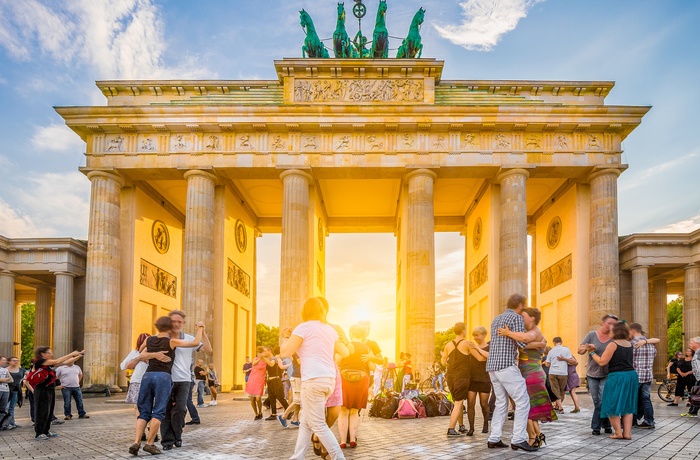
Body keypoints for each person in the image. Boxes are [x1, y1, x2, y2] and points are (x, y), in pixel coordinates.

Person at [280, 296, 350, 460]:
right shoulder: (330, 329)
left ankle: (339, 458)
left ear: (305, 311)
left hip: (312, 380)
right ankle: (298, 456)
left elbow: (285, 353)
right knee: (305, 420)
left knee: (318, 424)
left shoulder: (303, 328)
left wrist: (286, 337)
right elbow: (345, 352)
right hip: (329, 379)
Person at [129, 316, 204, 456]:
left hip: (147, 376)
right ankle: (150, 444)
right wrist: (200, 328)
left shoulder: (148, 339)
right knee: (159, 411)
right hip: (163, 377)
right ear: (169, 328)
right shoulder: (172, 342)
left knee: (143, 411)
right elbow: (196, 342)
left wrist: (154, 354)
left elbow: (140, 353)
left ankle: (136, 442)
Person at [485, 293, 537, 452]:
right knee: (522, 401)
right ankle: (518, 439)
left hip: (492, 366)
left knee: (501, 403)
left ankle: (494, 438)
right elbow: (522, 342)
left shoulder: (496, 319)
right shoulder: (516, 318)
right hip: (506, 365)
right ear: (520, 305)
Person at [499, 307, 557, 448]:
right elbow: (525, 342)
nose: (520, 318)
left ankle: (532, 438)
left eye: (523, 316)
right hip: (530, 373)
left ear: (532, 318)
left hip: (531, 374)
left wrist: (508, 333)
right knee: (529, 407)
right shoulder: (532, 334)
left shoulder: (534, 332)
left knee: (523, 406)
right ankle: (537, 435)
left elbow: (524, 340)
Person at [160, 310, 212, 450]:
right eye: (173, 321)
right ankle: (167, 441)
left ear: (183, 323)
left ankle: (177, 435)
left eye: (179, 321)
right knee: (165, 410)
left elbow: (208, 349)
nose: (176, 324)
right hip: (165, 379)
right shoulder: (161, 338)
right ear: (168, 322)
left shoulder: (189, 338)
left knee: (180, 409)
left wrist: (203, 331)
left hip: (184, 380)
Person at [590, 321, 639, 440]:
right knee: (628, 405)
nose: (609, 332)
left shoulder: (613, 344)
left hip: (617, 376)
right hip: (631, 375)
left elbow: (602, 361)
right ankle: (627, 433)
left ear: (616, 332)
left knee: (610, 404)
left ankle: (618, 432)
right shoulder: (629, 344)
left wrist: (591, 353)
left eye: (611, 330)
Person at [578, 313, 618, 435]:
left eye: (614, 325)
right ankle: (606, 424)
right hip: (592, 374)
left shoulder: (613, 338)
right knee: (597, 401)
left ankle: (595, 427)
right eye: (609, 323)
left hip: (607, 373)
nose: (611, 326)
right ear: (602, 323)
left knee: (602, 400)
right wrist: (587, 348)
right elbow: (579, 350)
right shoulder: (591, 335)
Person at [31, 347, 84, 440]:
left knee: (49, 411)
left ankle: (46, 431)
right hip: (42, 390)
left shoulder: (49, 364)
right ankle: (39, 433)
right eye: (49, 353)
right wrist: (71, 354)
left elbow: (65, 362)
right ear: (42, 354)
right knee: (42, 411)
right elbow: (57, 361)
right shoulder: (39, 362)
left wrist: (80, 355)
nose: (51, 354)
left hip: (50, 389)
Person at [338, 324, 374, 448]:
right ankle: (353, 439)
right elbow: (372, 367)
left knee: (343, 411)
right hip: (361, 380)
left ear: (351, 334)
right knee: (354, 411)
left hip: (345, 379)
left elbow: (337, 359)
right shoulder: (366, 348)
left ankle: (343, 441)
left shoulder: (347, 346)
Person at [442, 322, 471, 437]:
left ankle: (461, 425)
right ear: (463, 331)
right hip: (462, 376)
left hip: (450, 376)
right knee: (459, 403)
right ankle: (451, 429)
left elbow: (443, 362)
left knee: (458, 401)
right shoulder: (467, 343)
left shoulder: (448, 345)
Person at [628, 323, 657, 428]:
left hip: (635, 375)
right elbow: (654, 356)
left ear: (632, 331)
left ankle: (632, 421)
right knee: (646, 399)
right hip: (648, 375)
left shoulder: (631, 344)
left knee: (632, 399)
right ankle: (649, 421)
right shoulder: (650, 344)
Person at [466, 326, 490, 435]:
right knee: (470, 403)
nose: (475, 337)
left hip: (485, 378)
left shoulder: (489, 347)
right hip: (472, 379)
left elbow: (491, 357)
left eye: (477, 335)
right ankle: (471, 428)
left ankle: (486, 424)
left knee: (484, 404)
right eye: (473, 335)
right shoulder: (471, 346)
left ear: (484, 335)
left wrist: (477, 348)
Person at [545, 337, 573, 413]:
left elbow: (547, 364)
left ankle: (559, 407)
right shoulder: (566, 350)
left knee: (555, 390)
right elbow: (571, 361)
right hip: (563, 373)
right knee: (561, 390)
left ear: (554, 342)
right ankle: (560, 407)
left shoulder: (551, 351)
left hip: (553, 372)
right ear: (561, 341)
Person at [260, 346, 289, 420]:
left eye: (265, 351)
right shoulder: (268, 359)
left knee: (280, 397)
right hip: (270, 381)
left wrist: (264, 358)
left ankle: (289, 411)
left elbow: (271, 364)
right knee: (271, 397)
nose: (264, 353)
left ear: (269, 351)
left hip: (276, 380)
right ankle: (273, 414)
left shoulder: (274, 358)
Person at [245, 347, 267, 420]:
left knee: (258, 398)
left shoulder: (266, 361)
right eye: (258, 353)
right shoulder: (255, 359)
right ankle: (256, 414)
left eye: (260, 352)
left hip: (260, 380)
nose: (258, 354)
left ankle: (260, 412)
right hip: (252, 379)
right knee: (252, 399)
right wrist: (259, 358)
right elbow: (254, 364)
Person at [6, 356, 27, 429]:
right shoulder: (5, 370)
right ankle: (6, 423)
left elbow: (30, 374)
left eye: (17, 360)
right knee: (6, 407)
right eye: (13, 360)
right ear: (9, 361)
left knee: (11, 407)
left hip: (16, 390)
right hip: (6, 389)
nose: (15, 362)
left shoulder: (21, 370)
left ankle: (12, 422)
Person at [684, 336, 700, 417]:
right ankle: (693, 411)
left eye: (691, 343)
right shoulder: (697, 352)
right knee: (696, 393)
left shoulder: (699, 352)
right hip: (698, 378)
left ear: (697, 343)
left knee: (696, 394)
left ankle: (693, 411)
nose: (690, 344)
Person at [0, 357, 10, 425]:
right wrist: (6, 379)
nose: (5, 361)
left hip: (5, 389)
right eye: (3, 360)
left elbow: (11, 379)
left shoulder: (5, 369)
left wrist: (5, 379)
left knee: (3, 408)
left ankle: (2, 424)